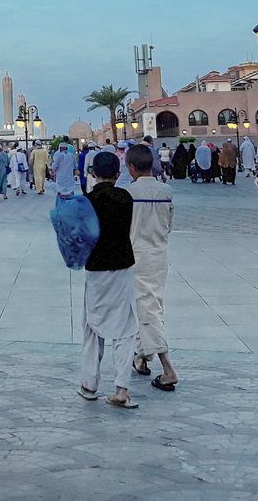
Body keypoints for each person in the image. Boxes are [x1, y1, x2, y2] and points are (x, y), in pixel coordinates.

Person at [78, 150, 139, 410]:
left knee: (92, 325)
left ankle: (90, 384)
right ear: (118, 173)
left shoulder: (86, 202)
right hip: (123, 266)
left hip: (96, 268)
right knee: (125, 328)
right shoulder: (126, 198)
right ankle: (122, 388)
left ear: (92, 173)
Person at [125, 145, 178, 392]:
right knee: (150, 304)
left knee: (148, 311)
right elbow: (168, 224)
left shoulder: (128, 192)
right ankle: (140, 357)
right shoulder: (166, 191)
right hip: (159, 255)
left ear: (132, 167)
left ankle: (168, 369)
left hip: (136, 256)